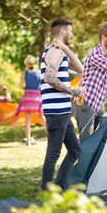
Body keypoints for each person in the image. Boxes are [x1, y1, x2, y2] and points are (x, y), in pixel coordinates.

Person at [40, 18, 87, 190]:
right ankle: (47, 194)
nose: (73, 35)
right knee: (53, 154)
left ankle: (58, 188)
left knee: (75, 150)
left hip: (63, 112)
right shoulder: (55, 52)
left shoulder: (61, 52)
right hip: (56, 111)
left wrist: (66, 48)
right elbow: (49, 77)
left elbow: (81, 68)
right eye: (71, 31)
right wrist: (71, 91)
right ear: (62, 31)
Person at [14, 55, 46, 146]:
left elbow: (21, 87)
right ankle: (50, 137)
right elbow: (41, 86)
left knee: (27, 120)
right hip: (36, 96)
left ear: (27, 63)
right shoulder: (39, 72)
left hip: (27, 96)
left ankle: (28, 141)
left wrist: (27, 88)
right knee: (43, 118)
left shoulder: (24, 73)